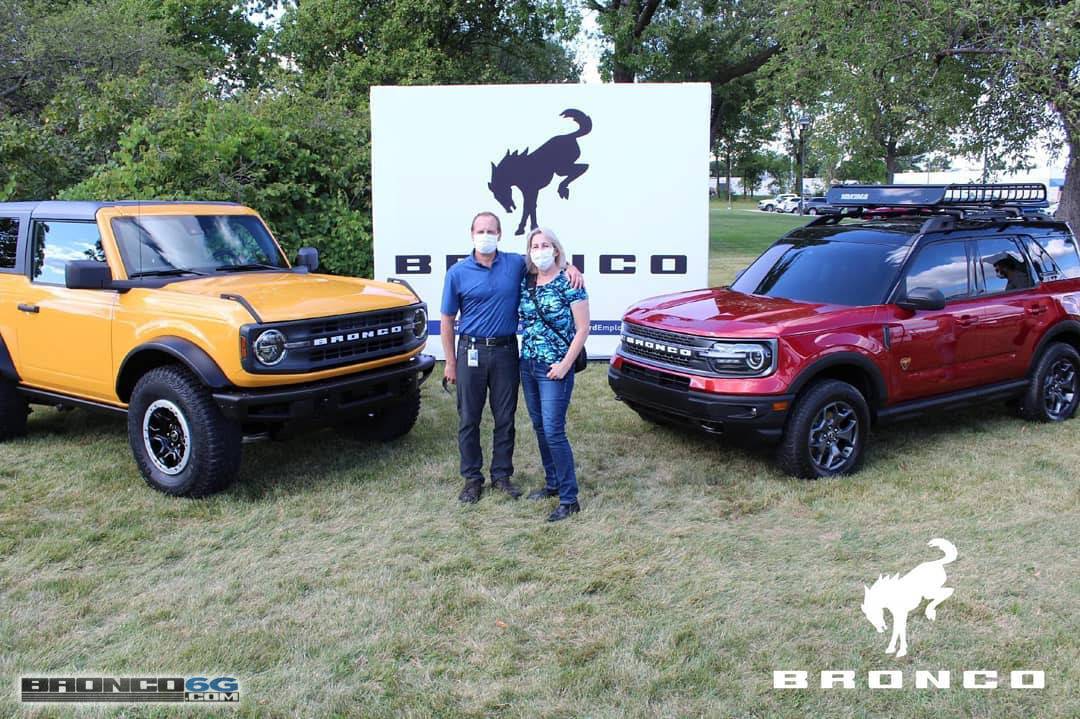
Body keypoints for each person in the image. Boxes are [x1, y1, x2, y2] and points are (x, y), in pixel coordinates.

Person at [441, 212, 583, 505]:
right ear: (471, 234)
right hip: (471, 351)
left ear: (500, 234)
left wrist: (572, 267)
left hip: (506, 352)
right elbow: (446, 320)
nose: (485, 235)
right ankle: (472, 479)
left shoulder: (515, 263)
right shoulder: (457, 273)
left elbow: (548, 259)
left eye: (491, 230)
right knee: (469, 417)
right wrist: (450, 362)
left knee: (505, 417)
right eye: (480, 230)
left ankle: (502, 475)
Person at [518, 227, 589, 522]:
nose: (540, 249)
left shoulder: (570, 282)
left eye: (546, 244)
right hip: (529, 365)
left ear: (556, 250)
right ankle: (553, 483)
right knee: (539, 426)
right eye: (535, 245)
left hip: (555, 369)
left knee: (553, 430)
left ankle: (569, 498)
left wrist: (564, 365)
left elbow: (583, 328)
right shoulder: (526, 281)